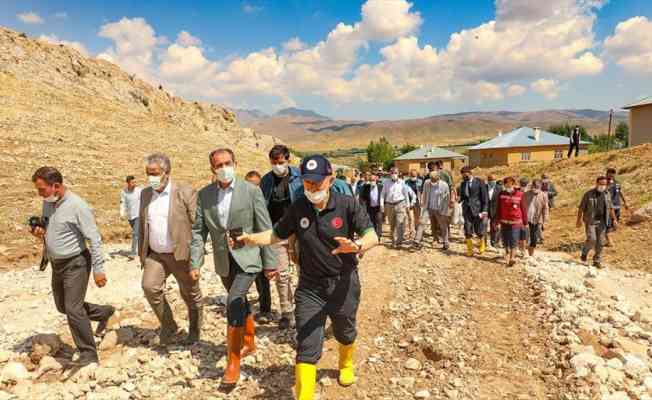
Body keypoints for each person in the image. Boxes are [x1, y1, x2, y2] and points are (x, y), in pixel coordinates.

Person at [236, 155, 379, 400]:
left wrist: (355, 246)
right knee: (306, 343)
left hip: (343, 282)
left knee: (345, 330)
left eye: (317, 183)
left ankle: (345, 364)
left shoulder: (348, 204)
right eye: (307, 183)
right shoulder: (299, 207)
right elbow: (275, 235)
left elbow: (372, 236)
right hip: (310, 286)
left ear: (330, 179)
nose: (312, 189)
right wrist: (250, 239)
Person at [190, 148, 278, 385]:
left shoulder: (251, 191)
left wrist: (270, 263)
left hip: (248, 257)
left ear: (235, 164)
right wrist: (195, 261)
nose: (223, 168)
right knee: (239, 300)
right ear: (212, 169)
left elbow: (264, 226)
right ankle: (249, 340)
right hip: (223, 260)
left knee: (233, 301)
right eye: (218, 165)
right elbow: (199, 231)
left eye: (227, 163)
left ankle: (233, 361)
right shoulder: (205, 195)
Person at [30, 167, 114, 366]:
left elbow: (94, 238)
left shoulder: (78, 206)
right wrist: (41, 231)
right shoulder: (48, 203)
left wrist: (99, 269)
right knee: (63, 306)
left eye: (42, 189)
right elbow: (52, 226)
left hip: (76, 263)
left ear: (56, 186)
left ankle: (88, 354)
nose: (40, 194)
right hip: (56, 264)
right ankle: (104, 313)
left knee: (73, 309)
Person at [138, 153, 202, 347]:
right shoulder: (145, 194)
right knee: (150, 287)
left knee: (190, 294)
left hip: (181, 254)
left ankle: (195, 330)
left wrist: (196, 259)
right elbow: (143, 225)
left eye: (155, 173)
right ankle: (169, 325)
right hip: (156, 254)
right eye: (148, 173)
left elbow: (197, 225)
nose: (151, 178)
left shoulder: (185, 192)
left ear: (167, 172)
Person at [259, 144, 303, 329]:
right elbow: (261, 206)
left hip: (300, 231)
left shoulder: (299, 178)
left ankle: (304, 308)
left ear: (288, 160)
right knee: (282, 275)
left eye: (281, 162)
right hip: (277, 233)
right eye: (274, 162)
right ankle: (287, 312)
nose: (278, 165)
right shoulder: (266, 181)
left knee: (305, 271)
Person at [245, 170, 275, 325]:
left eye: (256, 185)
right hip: (248, 245)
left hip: (263, 244)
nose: (253, 189)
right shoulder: (242, 202)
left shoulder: (264, 201)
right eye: (250, 185)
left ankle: (265, 309)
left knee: (264, 278)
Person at [577, 176, 617, 268]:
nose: (602, 186)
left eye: (604, 184)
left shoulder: (607, 194)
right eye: (601, 184)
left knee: (600, 242)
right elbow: (581, 208)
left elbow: (611, 208)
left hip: (602, 221)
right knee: (592, 239)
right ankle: (584, 252)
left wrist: (614, 219)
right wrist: (578, 220)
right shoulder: (588, 194)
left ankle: (597, 260)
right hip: (590, 220)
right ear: (596, 183)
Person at [414, 171, 450, 250]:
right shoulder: (427, 183)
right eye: (432, 180)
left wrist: (444, 211)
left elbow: (447, 199)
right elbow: (424, 194)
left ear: (438, 178)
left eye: (434, 180)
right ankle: (417, 240)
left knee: (443, 226)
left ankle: (446, 242)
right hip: (428, 208)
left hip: (440, 209)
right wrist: (423, 206)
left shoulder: (444, 185)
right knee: (422, 222)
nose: (433, 182)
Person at [380, 167, 416, 248]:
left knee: (400, 223)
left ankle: (399, 241)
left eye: (395, 173)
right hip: (389, 205)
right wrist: (382, 205)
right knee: (392, 224)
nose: (394, 174)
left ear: (398, 173)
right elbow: (382, 194)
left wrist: (407, 205)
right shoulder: (386, 183)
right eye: (392, 173)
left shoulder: (402, 183)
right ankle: (393, 240)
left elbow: (406, 194)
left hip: (400, 204)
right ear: (390, 174)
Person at [496, 176, 527, 266]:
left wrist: (525, 222)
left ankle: (512, 258)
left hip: (516, 222)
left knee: (514, 240)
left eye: (510, 185)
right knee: (505, 240)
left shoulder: (520, 194)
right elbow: (498, 208)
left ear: (513, 184)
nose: (508, 187)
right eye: (506, 185)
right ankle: (506, 253)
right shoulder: (501, 194)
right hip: (504, 222)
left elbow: (523, 208)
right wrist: (497, 221)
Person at [458, 166, 488, 256]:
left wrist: (484, 210)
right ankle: (470, 249)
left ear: (470, 173)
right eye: (462, 175)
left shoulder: (479, 182)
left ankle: (482, 244)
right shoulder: (463, 184)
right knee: (467, 229)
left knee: (479, 230)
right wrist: (458, 199)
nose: (464, 176)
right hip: (466, 209)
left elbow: (484, 197)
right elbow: (463, 197)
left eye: (465, 174)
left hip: (478, 209)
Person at [523, 179, 549, 257]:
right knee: (525, 236)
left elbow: (545, 208)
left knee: (534, 238)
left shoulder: (543, 195)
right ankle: (524, 252)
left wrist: (545, 220)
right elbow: (522, 206)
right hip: (526, 218)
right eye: (534, 186)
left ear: (540, 186)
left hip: (537, 219)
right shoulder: (526, 194)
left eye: (537, 187)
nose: (535, 188)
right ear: (532, 186)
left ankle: (531, 253)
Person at [120, 175, 142, 259]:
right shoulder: (123, 192)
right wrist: (122, 214)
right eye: (132, 182)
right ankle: (145, 250)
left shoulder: (139, 191)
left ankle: (133, 253)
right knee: (139, 234)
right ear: (128, 183)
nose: (134, 184)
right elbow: (123, 203)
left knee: (135, 234)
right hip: (130, 216)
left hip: (138, 215)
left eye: (135, 182)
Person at [605, 168, 629, 247]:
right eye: (610, 172)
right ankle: (609, 241)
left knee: (614, 224)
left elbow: (620, 192)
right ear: (607, 173)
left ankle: (605, 237)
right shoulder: (603, 183)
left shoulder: (617, 183)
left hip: (617, 206)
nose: (611, 174)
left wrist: (625, 202)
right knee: (606, 223)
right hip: (607, 206)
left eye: (613, 173)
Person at [358, 173, 383, 238]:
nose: (372, 181)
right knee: (372, 222)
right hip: (370, 208)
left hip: (378, 208)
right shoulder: (366, 187)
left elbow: (384, 196)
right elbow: (362, 197)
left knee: (379, 221)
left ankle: (378, 236)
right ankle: (374, 235)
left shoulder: (380, 187)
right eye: (371, 180)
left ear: (376, 180)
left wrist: (383, 206)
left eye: (373, 180)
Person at [405, 170, 423, 239]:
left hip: (418, 202)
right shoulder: (406, 182)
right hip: (409, 202)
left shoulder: (420, 182)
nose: (413, 177)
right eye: (412, 175)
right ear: (410, 175)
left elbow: (422, 192)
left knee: (417, 218)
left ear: (417, 175)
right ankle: (412, 232)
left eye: (414, 176)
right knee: (411, 218)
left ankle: (417, 230)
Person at [486, 175, 502, 248]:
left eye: (494, 180)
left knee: (494, 228)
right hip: (485, 210)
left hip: (495, 211)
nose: (492, 181)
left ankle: (494, 242)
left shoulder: (499, 188)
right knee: (483, 226)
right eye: (490, 180)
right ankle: (484, 242)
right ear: (488, 180)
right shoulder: (484, 187)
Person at [517, 177, 530, 257]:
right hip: (518, 215)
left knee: (525, 234)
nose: (523, 186)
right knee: (520, 233)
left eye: (525, 184)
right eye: (522, 184)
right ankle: (521, 249)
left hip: (527, 215)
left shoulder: (529, 192)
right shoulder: (517, 191)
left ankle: (524, 249)